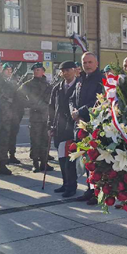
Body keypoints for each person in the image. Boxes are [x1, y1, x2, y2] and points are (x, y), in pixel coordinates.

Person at [71, 52, 104, 204]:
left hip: (95, 125)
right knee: (86, 160)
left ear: (96, 63)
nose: (87, 65)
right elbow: (72, 98)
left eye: (90, 62)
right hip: (80, 124)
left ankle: (98, 192)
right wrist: (73, 110)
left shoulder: (101, 79)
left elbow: (98, 101)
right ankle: (90, 189)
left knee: (96, 160)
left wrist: (80, 112)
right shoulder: (80, 79)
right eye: (85, 63)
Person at [49, 61, 79, 197]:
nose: (65, 73)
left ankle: (72, 186)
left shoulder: (79, 85)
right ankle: (65, 183)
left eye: (68, 70)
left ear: (74, 70)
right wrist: (50, 125)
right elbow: (51, 108)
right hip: (59, 127)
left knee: (71, 159)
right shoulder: (57, 88)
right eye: (63, 71)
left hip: (73, 127)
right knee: (62, 158)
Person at [19, 63, 54, 173]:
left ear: (43, 71)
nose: (36, 72)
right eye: (34, 70)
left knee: (45, 140)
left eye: (38, 70)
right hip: (35, 116)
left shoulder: (48, 85)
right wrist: (30, 104)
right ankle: (35, 163)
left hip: (46, 116)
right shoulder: (28, 84)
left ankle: (44, 162)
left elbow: (53, 100)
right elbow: (19, 95)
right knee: (35, 139)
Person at [3, 63, 25, 165]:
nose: (9, 72)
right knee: (4, 136)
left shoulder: (14, 84)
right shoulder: (1, 83)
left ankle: (12, 155)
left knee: (13, 135)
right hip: (4, 114)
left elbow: (20, 98)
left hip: (15, 113)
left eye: (10, 70)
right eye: (7, 70)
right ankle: (3, 156)